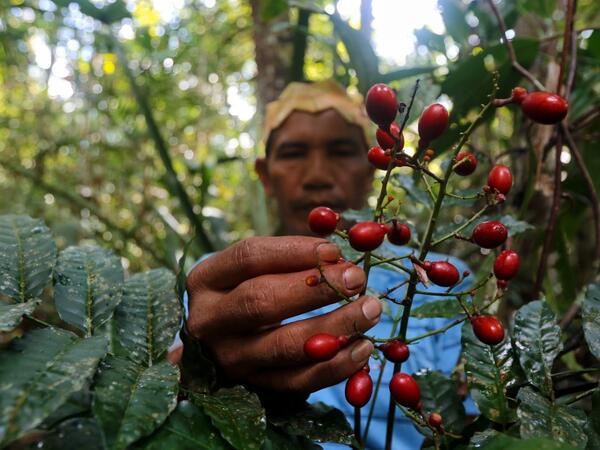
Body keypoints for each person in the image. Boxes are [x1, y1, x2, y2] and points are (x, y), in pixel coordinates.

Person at [174, 81, 475, 449]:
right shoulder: (215, 281)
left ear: (372, 167)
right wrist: (199, 367)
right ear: (266, 175)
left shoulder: (441, 279)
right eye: (294, 153)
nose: (317, 174)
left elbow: (472, 423)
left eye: (341, 151)